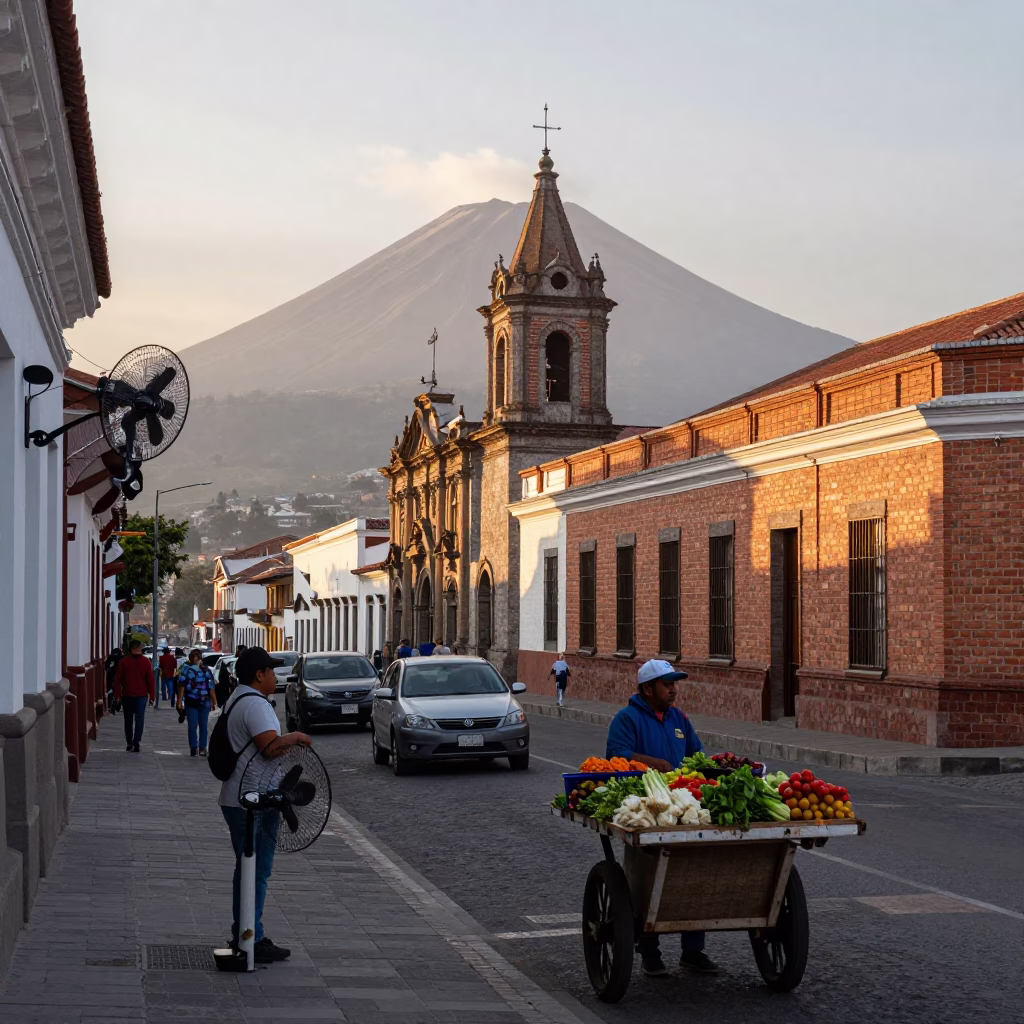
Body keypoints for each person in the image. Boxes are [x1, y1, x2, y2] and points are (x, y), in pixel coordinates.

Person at [606, 659, 719, 977]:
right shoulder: (626, 719)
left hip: (683, 808)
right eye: (667, 684)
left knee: (693, 875)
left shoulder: (680, 718)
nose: (673, 689)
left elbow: (698, 755)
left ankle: (693, 951)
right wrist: (655, 763)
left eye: (675, 683)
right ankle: (650, 952)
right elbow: (616, 755)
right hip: (648, 811)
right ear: (647, 688)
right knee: (649, 879)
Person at [219, 647, 311, 963]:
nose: (275, 676)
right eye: (271, 671)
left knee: (248, 871)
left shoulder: (239, 697)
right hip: (252, 802)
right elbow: (269, 747)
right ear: (260, 675)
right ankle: (251, 938)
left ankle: (246, 932)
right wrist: (296, 736)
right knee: (255, 871)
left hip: (242, 797)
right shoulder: (255, 704)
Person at [113, 639, 155, 752]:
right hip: (140, 695)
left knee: (128, 720)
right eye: (139, 647)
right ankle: (136, 741)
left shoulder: (124, 662)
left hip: (128, 695)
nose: (140, 649)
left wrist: (117, 695)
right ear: (135, 648)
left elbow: (117, 680)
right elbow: (150, 680)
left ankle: (130, 742)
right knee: (139, 719)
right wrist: (152, 696)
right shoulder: (146, 662)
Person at [179, 648, 218, 756]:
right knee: (194, 725)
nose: (196, 661)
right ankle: (194, 747)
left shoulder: (205, 671)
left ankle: (201, 747)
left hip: (203, 701)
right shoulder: (187, 670)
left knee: (202, 725)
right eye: (194, 658)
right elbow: (181, 686)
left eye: (197, 658)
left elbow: (211, 688)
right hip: (192, 701)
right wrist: (179, 702)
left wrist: (215, 703)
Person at [104, 645, 122, 714]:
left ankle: (114, 706)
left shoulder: (111, 658)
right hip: (116, 676)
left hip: (114, 676)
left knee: (114, 690)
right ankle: (115, 706)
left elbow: (107, 666)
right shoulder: (120, 659)